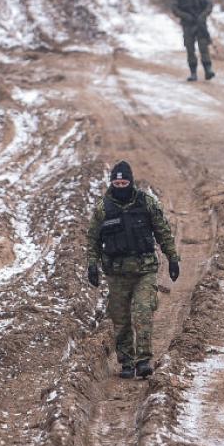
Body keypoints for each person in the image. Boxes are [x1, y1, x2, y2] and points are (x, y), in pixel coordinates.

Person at [85, 161, 180, 379]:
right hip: (116, 273)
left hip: (144, 270)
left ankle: (143, 360)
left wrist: (173, 258)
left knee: (142, 313)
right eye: (116, 182)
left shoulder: (146, 203)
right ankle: (126, 362)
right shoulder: (103, 209)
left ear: (131, 182)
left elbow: (163, 231)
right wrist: (92, 264)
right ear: (111, 183)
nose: (120, 185)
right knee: (121, 320)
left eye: (124, 182)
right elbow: (92, 239)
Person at [171, 0, 214, 82]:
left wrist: (203, 16)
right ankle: (193, 73)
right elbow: (174, 9)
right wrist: (185, 16)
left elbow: (209, 4)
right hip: (188, 25)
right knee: (190, 49)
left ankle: (208, 69)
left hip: (200, 24)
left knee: (203, 47)